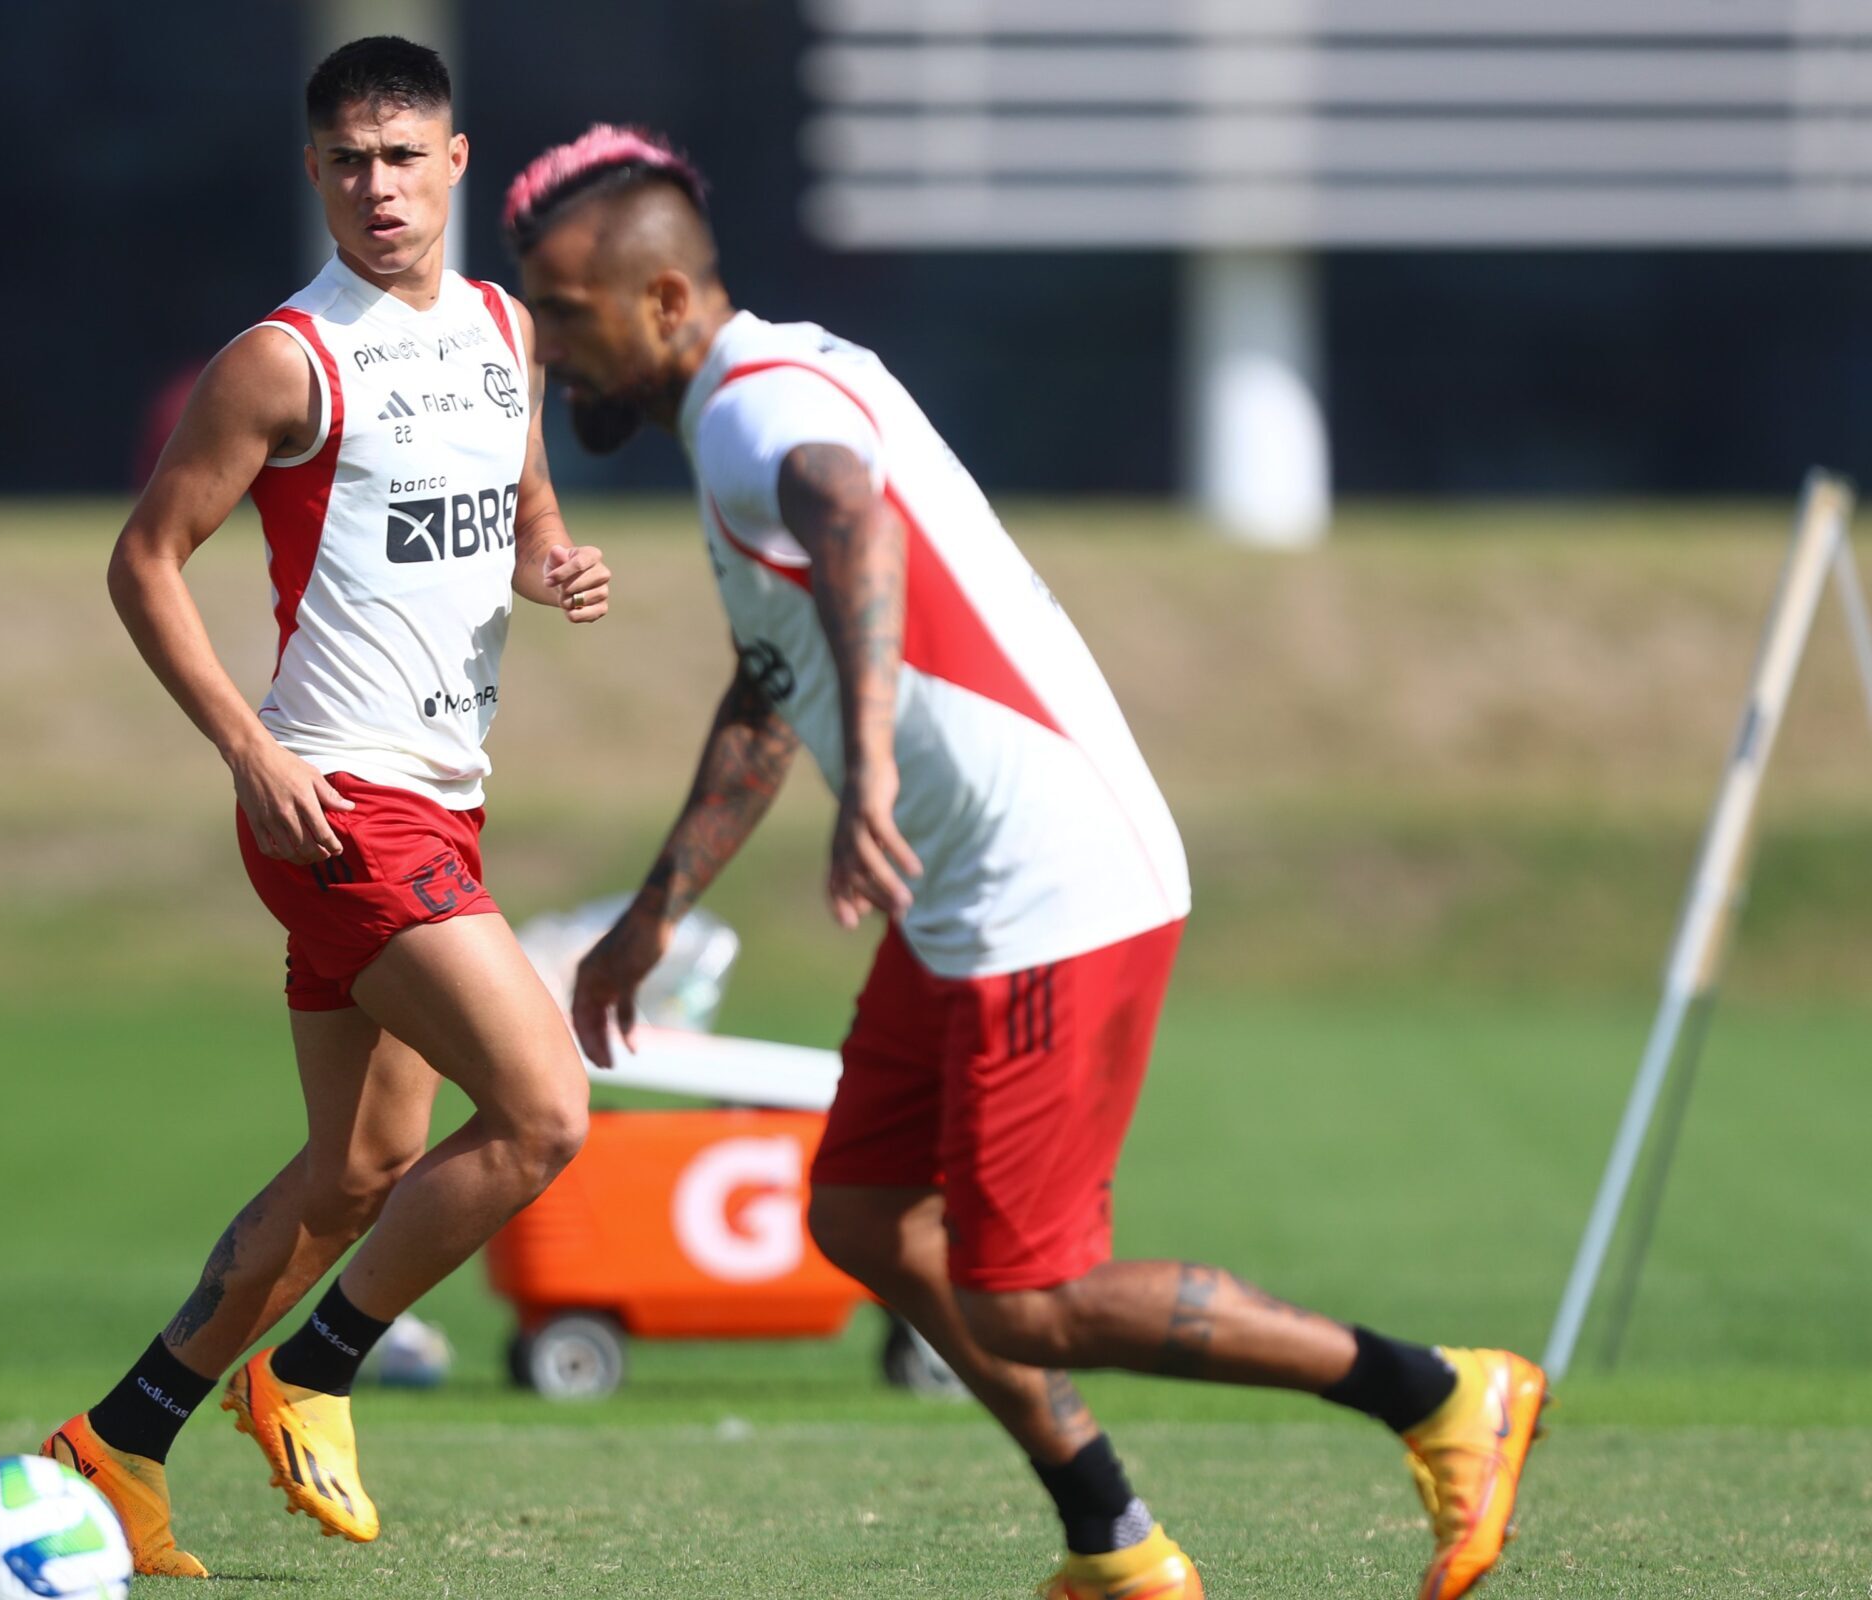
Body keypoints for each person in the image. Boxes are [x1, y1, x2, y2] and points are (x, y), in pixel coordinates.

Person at [509, 125, 1544, 1600]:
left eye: (561, 314)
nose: (548, 353)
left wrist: (869, 761)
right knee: (863, 1212)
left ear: (665, 302)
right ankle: (1115, 1548)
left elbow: (854, 521)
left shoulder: (751, 416)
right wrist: (655, 913)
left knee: (1030, 1293)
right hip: (972, 900)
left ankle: (1438, 1393)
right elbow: (771, 685)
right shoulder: (767, 385)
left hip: (1056, 892)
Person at [40, 39, 610, 1577]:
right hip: (338, 805)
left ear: (457, 162)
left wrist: (547, 557)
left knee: (359, 1169)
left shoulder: (508, 329)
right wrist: (247, 748)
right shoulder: (287, 359)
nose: (378, 185)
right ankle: (315, 1371)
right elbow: (143, 561)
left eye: (403, 156)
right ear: (315, 173)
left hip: (446, 797)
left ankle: (119, 1444)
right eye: (349, 160)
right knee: (547, 1112)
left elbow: (520, 487)